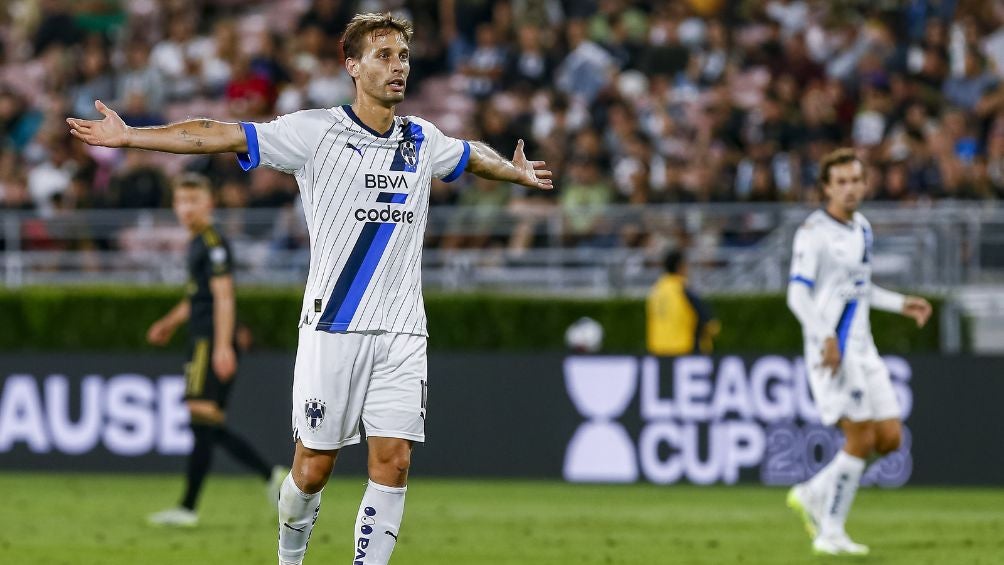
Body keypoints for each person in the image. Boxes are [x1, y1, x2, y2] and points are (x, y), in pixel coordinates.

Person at [68, 12, 551, 565]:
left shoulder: (423, 138)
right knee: (311, 469)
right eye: (384, 56)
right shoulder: (315, 132)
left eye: (403, 57)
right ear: (352, 65)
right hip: (333, 328)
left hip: (402, 329)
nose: (398, 68)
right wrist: (132, 136)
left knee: (393, 462)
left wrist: (513, 172)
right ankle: (290, 556)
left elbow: (471, 155)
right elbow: (221, 133)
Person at [785, 148, 932, 556]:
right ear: (827, 188)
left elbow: (859, 288)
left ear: (866, 184)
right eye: (841, 182)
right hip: (833, 351)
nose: (850, 189)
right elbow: (797, 295)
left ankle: (815, 490)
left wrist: (902, 303)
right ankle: (830, 531)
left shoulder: (862, 229)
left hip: (865, 348)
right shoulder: (813, 233)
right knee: (861, 437)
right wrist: (825, 337)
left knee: (889, 438)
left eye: (856, 180)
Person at [145, 173, 286, 527]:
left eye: (193, 201)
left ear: (209, 204)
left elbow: (224, 296)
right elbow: (200, 296)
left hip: (209, 341)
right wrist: (170, 321)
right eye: (181, 202)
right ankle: (266, 479)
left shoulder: (211, 241)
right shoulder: (198, 242)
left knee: (203, 420)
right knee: (205, 424)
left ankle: (263, 479)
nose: (186, 209)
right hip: (202, 336)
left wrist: (223, 345)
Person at [646, 249, 719, 356]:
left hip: (658, 351)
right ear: (680, 266)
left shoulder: (656, 290)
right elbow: (709, 322)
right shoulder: (682, 289)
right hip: (682, 350)